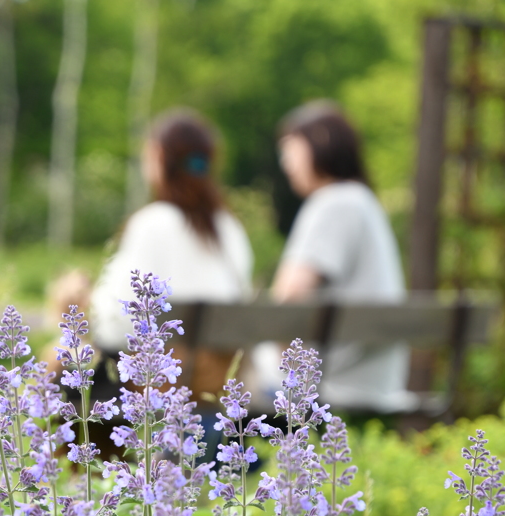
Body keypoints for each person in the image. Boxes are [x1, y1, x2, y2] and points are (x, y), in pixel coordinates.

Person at [88, 109, 254, 460]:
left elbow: (115, 323)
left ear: (160, 158)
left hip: (155, 388)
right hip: (218, 388)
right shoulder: (230, 229)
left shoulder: (153, 223)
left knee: (63, 372)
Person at [257, 100, 412, 412]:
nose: (286, 163)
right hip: (376, 377)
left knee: (221, 384)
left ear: (320, 142)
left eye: (290, 150)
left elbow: (289, 297)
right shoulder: (363, 201)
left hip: (335, 382)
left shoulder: (333, 203)